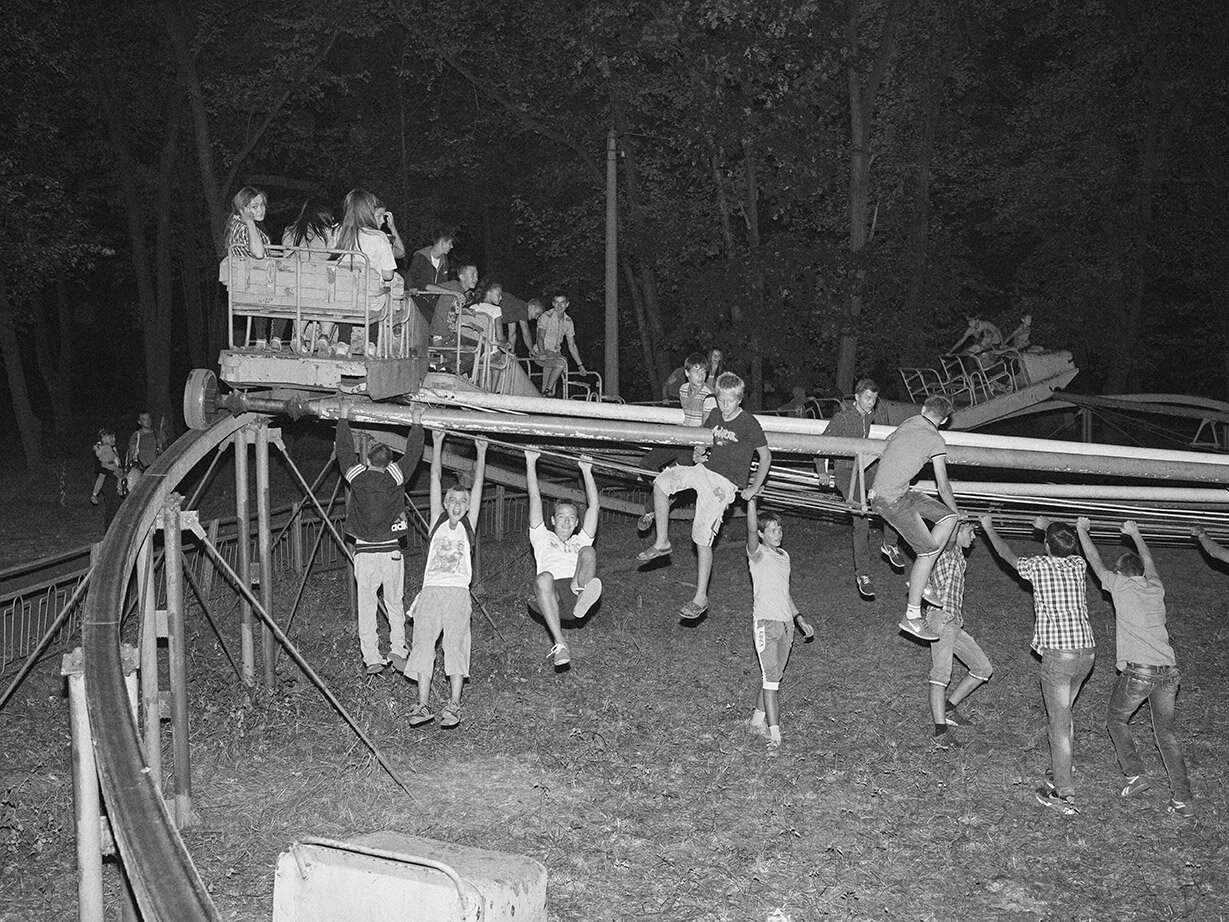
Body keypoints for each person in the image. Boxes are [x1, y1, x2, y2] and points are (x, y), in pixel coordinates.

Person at [1077, 518, 1193, 819]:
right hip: (1169, 672)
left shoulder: (1118, 585)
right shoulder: (1155, 587)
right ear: (1141, 572)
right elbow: (1151, 563)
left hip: (1140, 671)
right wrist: (1135, 533)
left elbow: (1094, 560)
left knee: (1116, 720)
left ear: (1121, 574)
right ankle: (1183, 799)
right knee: (1166, 734)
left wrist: (1081, 530)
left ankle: (1136, 774)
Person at [979, 514, 1094, 816]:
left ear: (1046, 546)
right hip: (1086, 654)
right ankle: (1061, 768)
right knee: (1064, 716)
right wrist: (1051, 529)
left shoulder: (1038, 567)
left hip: (1059, 657)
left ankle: (1064, 793)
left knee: (1058, 724)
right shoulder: (1078, 566)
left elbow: (1005, 555)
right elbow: (1067, 546)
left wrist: (988, 527)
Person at [637, 371, 771, 621]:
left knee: (701, 538)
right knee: (662, 482)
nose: (725, 406)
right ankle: (662, 541)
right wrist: (699, 451)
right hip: (704, 470)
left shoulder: (749, 423)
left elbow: (766, 457)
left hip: (725, 484)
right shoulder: (715, 414)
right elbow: (704, 439)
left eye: (730, 401)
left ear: (740, 400)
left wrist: (754, 486)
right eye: (721, 400)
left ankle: (700, 597)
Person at [404, 430, 488, 729]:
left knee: (456, 645)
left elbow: (477, 487)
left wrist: (481, 452)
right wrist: (436, 443)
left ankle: (453, 705)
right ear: (444, 502)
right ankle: (423, 704)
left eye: (462, 500)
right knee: (423, 644)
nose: (456, 503)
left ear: (467, 506)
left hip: (457, 594)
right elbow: (434, 477)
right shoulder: (436, 522)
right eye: (451, 499)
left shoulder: (469, 525)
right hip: (430, 592)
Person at [336, 403, 424, 674]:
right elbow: (413, 454)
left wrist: (343, 418)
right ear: (389, 463)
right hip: (391, 551)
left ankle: (371, 656)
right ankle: (398, 649)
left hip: (364, 551)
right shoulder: (395, 478)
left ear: (368, 461)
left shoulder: (357, 477)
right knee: (394, 603)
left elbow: (344, 452)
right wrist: (416, 423)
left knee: (366, 604)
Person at [867, 394, 959, 641]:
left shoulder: (909, 422)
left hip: (902, 492)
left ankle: (922, 576)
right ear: (946, 419)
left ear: (923, 409)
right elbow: (943, 486)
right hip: (890, 500)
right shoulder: (936, 441)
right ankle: (912, 616)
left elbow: (886, 446)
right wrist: (961, 513)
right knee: (928, 551)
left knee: (947, 517)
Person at [820, 378, 905, 601]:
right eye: (867, 398)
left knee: (891, 494)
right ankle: (863, 574)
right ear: (856, 397)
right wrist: (822, 470)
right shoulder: (843, 418)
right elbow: (821, 444)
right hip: (847, 471)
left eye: (874, 399)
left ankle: (890, 543)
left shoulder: (871, 417)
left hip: (865, 467)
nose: (871, 403)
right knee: (862, 518)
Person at [526, 451, 603, 668]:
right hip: (553, 599)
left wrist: (586, 471)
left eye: (571, 518)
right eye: (562, 517)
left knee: (588, 552)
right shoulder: (542, 537)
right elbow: (534, 498)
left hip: (576, 591)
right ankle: (560, 645)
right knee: (543, 577)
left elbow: (594, 507)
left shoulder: (581, 539)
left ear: (577, 522)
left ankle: (582, 594)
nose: (567, 522)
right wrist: (531, 462)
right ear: (552, 520)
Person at [924, 521, 993, 750]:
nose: (974, 537)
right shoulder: (947, 549)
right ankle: (940, 732)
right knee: (941, 674)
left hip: (953, 623)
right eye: (970, 531)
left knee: (983, 669)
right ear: (957, 530)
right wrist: (955, 519)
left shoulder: (961, 558)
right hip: (940, 619)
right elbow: (950, 534)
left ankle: (950, 708)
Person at [744, 497, 801, 755]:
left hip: (786, 624)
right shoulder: (757, 553)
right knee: (771, 681)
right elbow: (749, 529)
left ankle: (756, 722)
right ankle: (774, 734)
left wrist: (799, 618)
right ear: (761, 533)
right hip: (765, 623)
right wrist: (751, 502)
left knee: (773, 677)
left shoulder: (784, 555)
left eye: (780, 529)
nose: (778, 534)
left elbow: (785, 592)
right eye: (772, 530)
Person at [635, 352, 716, 513]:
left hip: (693, 445)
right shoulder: (683, 389)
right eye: (696, 371)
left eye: (703, 372)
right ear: (687, 373)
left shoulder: (709, 395)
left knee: (670, 476)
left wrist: (701, 447)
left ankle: (650, 510)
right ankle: (668, 493)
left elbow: (707, 426)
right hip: (681, 438)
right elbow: (687, 416)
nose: (701, 375)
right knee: (646, 465)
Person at [333, 189, 399, 356]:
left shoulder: (338, 232)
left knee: (348, 294)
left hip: (340, 298)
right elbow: (388, 275)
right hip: (371, 300)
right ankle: (371, 343)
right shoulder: (379, 237)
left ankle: (342, 342)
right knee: (378, 290)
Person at [282, 199, 338, 353]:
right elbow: (328, 257)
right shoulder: (323, 234)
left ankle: (298, 336)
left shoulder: (290, 231)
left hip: (295, 288)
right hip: (319, 290)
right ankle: (324, 336)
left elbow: (286, 258)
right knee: (332, 297)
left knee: (302, 299)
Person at [224, 186, 276, 349]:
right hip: (251, 285)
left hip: (256, 282)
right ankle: (272, 339)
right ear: (243, 209)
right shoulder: (243, 226)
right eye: (254, 207)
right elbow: (259, 253)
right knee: (289, 292)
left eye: (262, 205)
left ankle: (270, 339)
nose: (260, 210)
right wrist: (250, 221)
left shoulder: (246, 226)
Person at [535, 293, 587, 397]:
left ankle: (545, 395)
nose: (559, 306)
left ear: (567, 304)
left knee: (550, 390)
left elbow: (571, 345)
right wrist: (542, 353)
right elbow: (540, 337)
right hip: (541, 353)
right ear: (553, 304)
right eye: (557, 303)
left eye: (562, 303)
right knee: (562, 363)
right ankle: (547, 390)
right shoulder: (546, 316)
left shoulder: (568, 322)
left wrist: (580, 365)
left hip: (554, 355)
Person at [407, 230, 456, 328]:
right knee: (434, 320)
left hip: (434, 300)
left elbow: (443, 284)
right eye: (450, 243)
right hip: (419, 298)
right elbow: (415, 282)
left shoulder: (444, 261)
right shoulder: (420, 258)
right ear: (442, 242)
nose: (452, 247)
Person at [91, 428, 124, 531]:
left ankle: (116, 529)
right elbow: (101, 467)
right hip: (109, 481)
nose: (114, 439)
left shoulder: (112, 449)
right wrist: (114, 471)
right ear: (105, 438)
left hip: (113, 479)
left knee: (117, 505)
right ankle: (109, 531)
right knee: (112, 507)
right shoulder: (103, 450)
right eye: (111, 437)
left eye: (114, 437)